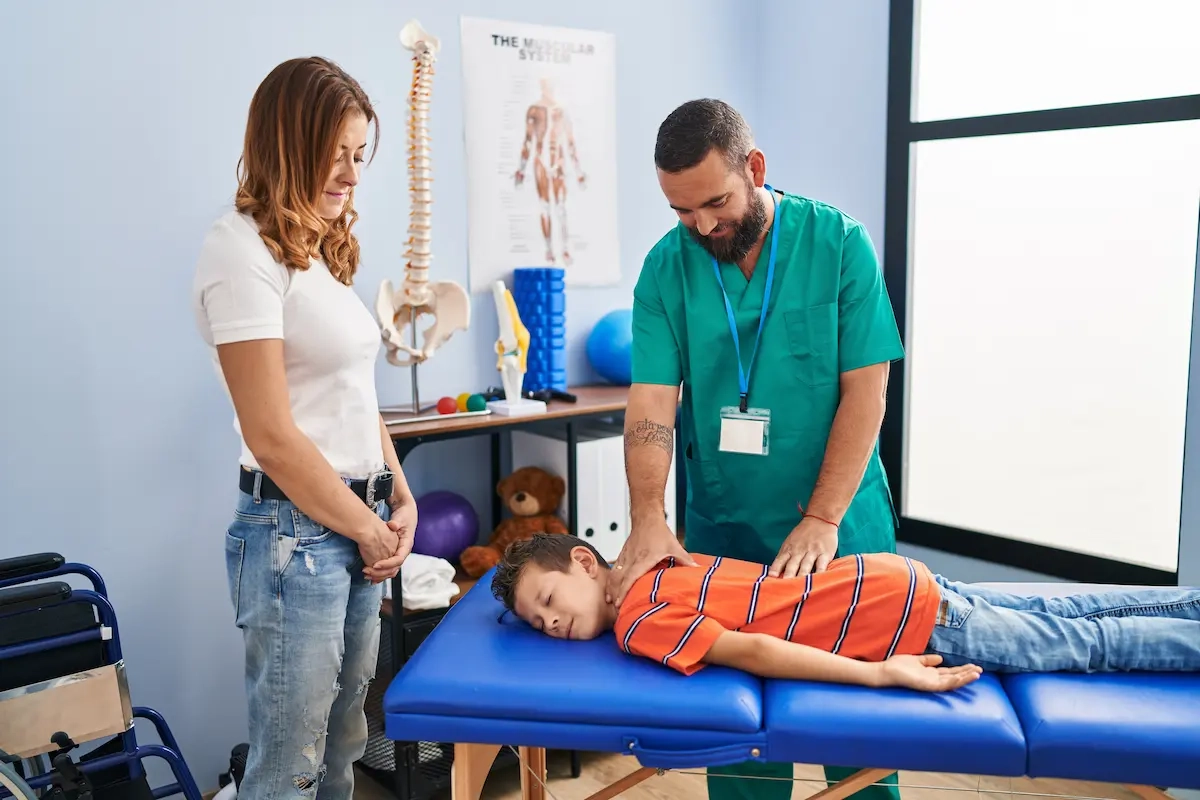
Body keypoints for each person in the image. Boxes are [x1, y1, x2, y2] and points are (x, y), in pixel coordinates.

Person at [610, 97, 906, 799]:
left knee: (855, 731)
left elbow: (868, 392)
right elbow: (653, 402)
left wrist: (825, 517)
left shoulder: (838, 245)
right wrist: (649, 515)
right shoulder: (666, 269)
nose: (703, 226)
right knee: (739, 742)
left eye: (715, 202)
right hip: (726, 526)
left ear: (756, 168)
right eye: (682, 212)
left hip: (842, 526)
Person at [192, 57, 417, 800]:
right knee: (289, 765)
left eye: (361, 156)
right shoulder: (239, 249)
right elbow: (273, 436)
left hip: (354, 521)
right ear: (290, 141)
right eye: (338, 153)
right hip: (297, 535)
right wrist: (367, 526)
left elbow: (356, 396)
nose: (352, 175)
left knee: (346, 745)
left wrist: (400, 494)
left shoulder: (318, 251)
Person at [495, 534, 1200, 683]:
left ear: (585, 563)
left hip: (904, 623)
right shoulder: (660, 553)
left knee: (1082, 648)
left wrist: (883, 674)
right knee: (1065, 610)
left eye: (549, 601)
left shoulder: (640, 624)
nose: (551, 624)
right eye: (537, 623)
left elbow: (757, 652)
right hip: (883, 575)